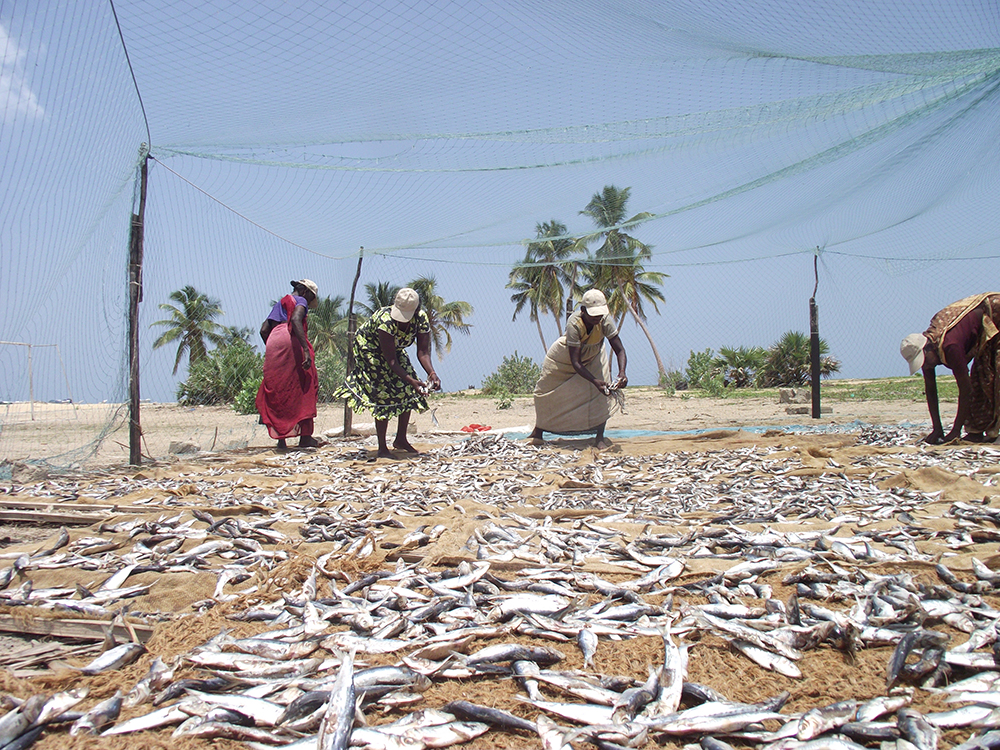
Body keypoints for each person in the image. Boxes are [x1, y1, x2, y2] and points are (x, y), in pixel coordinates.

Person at [337, 287, 441, 459]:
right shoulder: (386, 322)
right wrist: (411, 380)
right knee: (383, 391)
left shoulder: (421, 318)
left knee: (407, 390)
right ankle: (382, 447)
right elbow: (390, 361)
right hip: (370, 349)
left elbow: (423, 352)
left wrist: (432, 373)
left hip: (395, 350)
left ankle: (400, 439)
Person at [529, 289, 627, 449]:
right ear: (583, 311)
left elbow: (620, 350)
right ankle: (538, 431)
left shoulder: (605, 321)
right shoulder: (574, 324)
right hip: (565, 357)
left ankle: (600, 437)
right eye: (593, 315)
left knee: (601, 396)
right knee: (546, 393)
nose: (597, 318)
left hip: (594, 353)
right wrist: (595, 381)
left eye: (599, 315)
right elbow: (576, 362)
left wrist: (622, 372)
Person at [900, 292, 1000, 445]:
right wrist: (937, 429)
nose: (926, 366)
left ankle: (990, 431)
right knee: (981, 377)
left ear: (927, 349)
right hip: (980, 327)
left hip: (995, 313)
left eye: (924, 361)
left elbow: (965, 389)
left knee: (992, 376)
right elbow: (931, 390)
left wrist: (955, 430)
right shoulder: (929, 354)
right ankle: (976, 431)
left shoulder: (950, 346)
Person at [256, 279, 323, 450]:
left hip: (274, 342)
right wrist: (305, 350)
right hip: (290, 340)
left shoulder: (280, 303)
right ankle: (305, 438)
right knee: (305, 385)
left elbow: (264, 329)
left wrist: (274, 349)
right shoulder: (300, 301)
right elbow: (295, 319)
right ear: (306, 292)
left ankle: (281, 439)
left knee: (279, 387)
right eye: (310, 298)